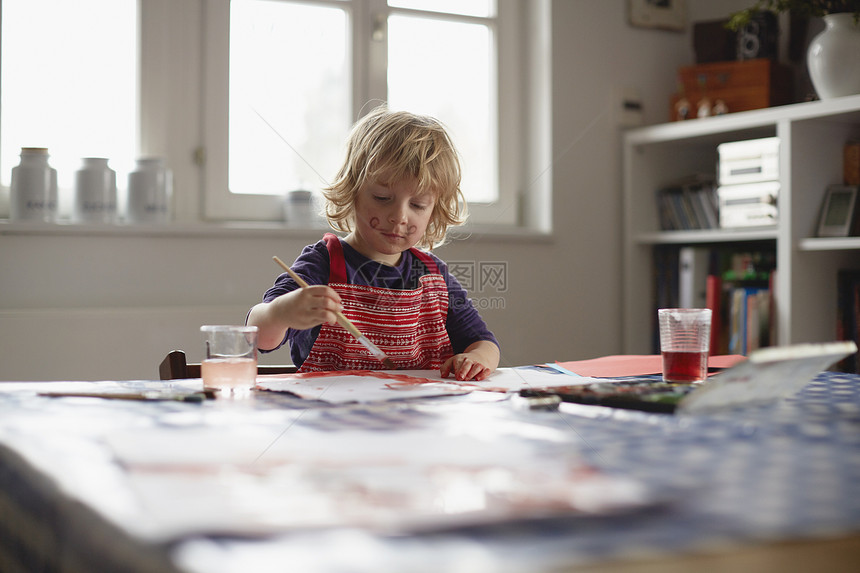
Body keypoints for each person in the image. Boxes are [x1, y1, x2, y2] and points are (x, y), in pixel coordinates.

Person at [247, 106, 500, 381]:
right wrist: (280, 313)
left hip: (420, 416)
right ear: (352, 192)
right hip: (333, 414)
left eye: (418, 204)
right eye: (382, 197)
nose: (399, 217)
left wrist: (476, 358)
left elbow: (484, 343)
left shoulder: (432, 274)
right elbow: (259, 336)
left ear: (434, 211)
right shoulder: (324, 263)